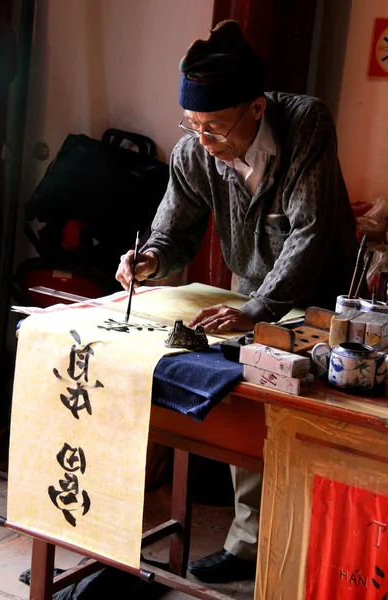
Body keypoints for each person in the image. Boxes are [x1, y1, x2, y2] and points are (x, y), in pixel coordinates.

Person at [116, 20, 358, 583]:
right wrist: (148, 259)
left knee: (314, 421)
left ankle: (319, 554)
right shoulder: (194, 152)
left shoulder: (306, 123)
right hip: (253, 289)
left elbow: (311, 232)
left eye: (215, 128)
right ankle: (250, 546)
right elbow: (172, 232)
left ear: (256, 107)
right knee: (249, 403)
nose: (204, 141)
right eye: (193, 125)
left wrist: (256, 309)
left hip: (325, 293)